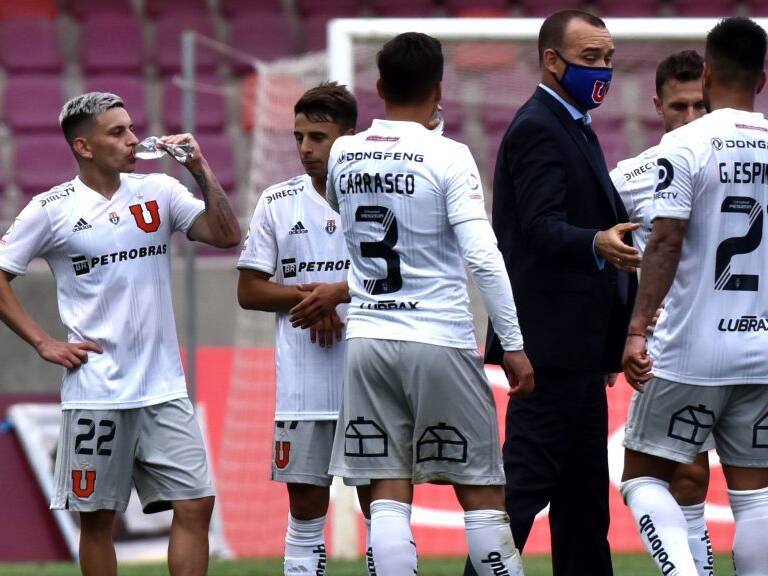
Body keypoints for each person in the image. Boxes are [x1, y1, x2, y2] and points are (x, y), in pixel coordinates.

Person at [291, 32, 534, 576]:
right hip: (438, 338)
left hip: (369, 341)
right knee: (480, 492)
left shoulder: (346, 153)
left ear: (378, 87)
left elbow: (342, 213)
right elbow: (485, 258)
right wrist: (513, 344)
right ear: (439, 89)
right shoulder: (449, 156)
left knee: (388, 494)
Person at [0, 93, 240, 575]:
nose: (133, 139)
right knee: (97, 520)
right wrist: (44, 342)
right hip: (96, 392)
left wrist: (199, 169)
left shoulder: (159, 191)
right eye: (117, 132)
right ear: (84, 147)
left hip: (164, 389)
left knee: (196, 504)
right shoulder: (50, 209)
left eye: (131, 128)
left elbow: (226, 234)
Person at [470, 10, 640, 576]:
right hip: (549, 352)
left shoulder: (570, 123)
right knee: (523, 491)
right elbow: (539, 228)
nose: (603, 70)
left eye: (608, 59)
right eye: (590, 59)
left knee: (583, 504)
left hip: (579, 352)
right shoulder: (539, 126)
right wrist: (597, 242)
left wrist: (609, 341)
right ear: (551, 60)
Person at [622, 16, 768, 576]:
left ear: (706, 73)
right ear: (761, 79)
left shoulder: (686, 144)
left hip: (692, 348)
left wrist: (637, 328)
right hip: (759, 351)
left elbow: (665, 239)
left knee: (642, 476)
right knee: (754, 493)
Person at [236, 82, 375, 576]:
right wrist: (312, 300)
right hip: (303, 387)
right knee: (305, 515)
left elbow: (407, 276)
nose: (306, 149)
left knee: (383, 514)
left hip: (370, 380)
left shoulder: (379, 194)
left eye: (318, 136)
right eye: (299, 137)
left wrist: (338, 294)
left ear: (350, 137)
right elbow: (249, 291)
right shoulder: (278, 202)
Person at [610, 50, 714, 576]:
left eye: (702, 105)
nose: (692, 117)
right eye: (680, 106)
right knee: (689, 473)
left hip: (738, 334)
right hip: (670, 342)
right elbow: (606, 254)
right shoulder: (629, 178)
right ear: (657, 107)